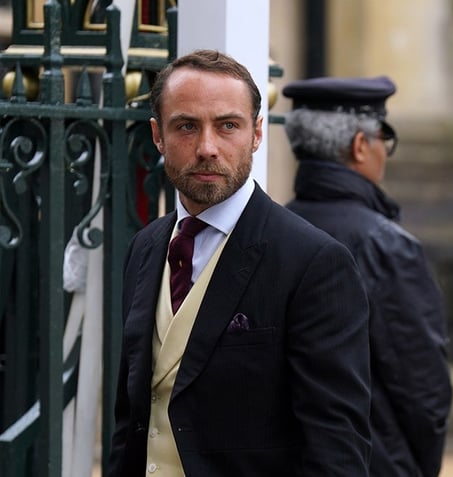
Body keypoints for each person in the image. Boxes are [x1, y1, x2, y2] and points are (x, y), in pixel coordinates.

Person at [107, 50, 372, 476]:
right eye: (186, 126)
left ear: (257, 134)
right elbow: (134, 420)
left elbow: (336, 447)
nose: (207, 148)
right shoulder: (144, 248)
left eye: (227, 125)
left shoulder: (313, 262)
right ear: (158, 135)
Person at [282, 75, 453, 477]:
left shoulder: (269, 232)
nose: (385, 154)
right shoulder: (385, 244)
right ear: (360, 146)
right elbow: (425, 393)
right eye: (384, 139)